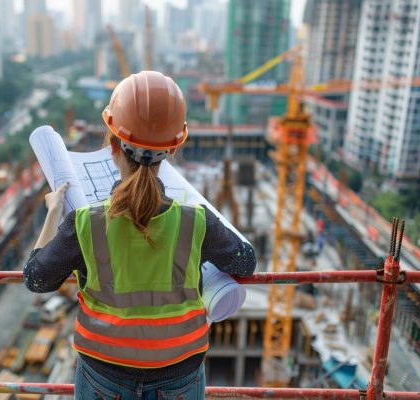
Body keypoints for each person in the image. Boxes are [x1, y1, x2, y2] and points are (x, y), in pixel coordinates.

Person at [23, 71, 256, 399]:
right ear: (173, 149)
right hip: (180, 373)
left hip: (105, 373)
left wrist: (52, 213)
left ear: (113, 144)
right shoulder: (196, 222)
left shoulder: (84, 223)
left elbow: (36, 279)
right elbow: (246, 262)